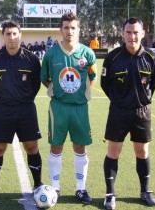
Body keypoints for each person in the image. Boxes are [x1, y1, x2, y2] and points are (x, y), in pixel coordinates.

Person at [101, 17, 155, 210]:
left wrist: (141, 100)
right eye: (128, 32)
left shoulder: (152, 58)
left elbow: (153, 83)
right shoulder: (113, 58)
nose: (132, 36)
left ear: (143, 33)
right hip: (118, 111)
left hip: (142, 112)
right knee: (113, 151)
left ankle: (145, 191)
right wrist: (120, 100)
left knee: (142, 151)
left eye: (136, 32)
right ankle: (110, 194)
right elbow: (105, 84)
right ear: (123, 33)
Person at [40, 12, 97, 204]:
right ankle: (55, 188)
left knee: (79, 147)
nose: (70, 31)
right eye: (66, 27)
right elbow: (44, 79)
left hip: (80, 108)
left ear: (78, 29)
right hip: (58, 107)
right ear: (60, 29)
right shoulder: (51, 53)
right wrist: (58, 92)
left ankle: (81, 189)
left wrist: (78, 94)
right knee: (56, 146)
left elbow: (92, 78)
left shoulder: (88, 53)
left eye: (73, 28)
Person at [0, 20, 43, 202]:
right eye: (8, 34)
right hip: (3, 110)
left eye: (14, 34)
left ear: (20, 35)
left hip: (26, 109)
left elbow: (36, 85)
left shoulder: (32, 59)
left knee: (32, 147)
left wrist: (25, 99)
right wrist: (1, 100)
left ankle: (38, 184)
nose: (11, 37)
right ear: (3, 36)